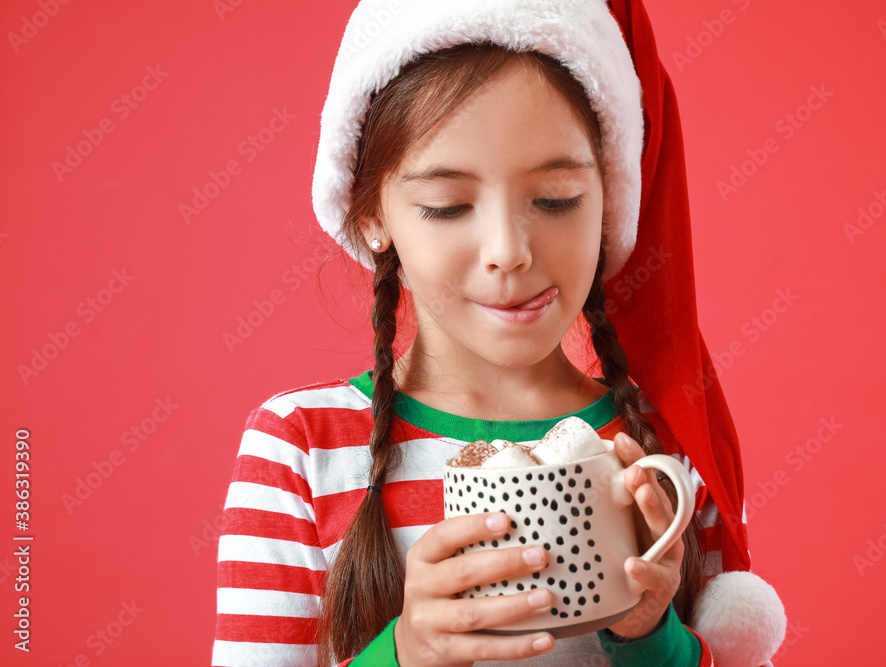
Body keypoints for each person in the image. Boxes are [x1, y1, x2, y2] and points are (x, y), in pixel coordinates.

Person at [211, 0, 787, 665]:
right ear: (372, 214)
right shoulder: (302, 450)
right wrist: (406, 651)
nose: (508, 250)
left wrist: (652, 635)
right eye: (448, 206)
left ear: (610, 196)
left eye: (556, 198)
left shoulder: (663, 457)